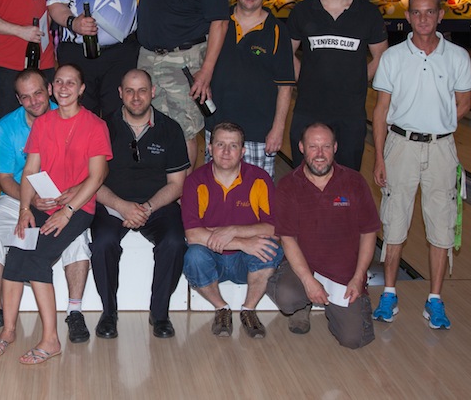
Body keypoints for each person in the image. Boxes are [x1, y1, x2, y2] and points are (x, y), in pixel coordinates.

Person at [0, 64, 111, 365]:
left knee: (38, 258)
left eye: (72, 82)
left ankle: (51, 339)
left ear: (81, 89)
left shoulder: (95, 125)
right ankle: (10, 329)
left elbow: (97, 176)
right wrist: (25, 209)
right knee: (17, 251)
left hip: (79, 207)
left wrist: (67, 212)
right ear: (52, 87)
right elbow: (29, 170)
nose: (65, 87)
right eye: (59, 82)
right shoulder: (44, 124)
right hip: (45, 205)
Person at [372, 0, 471, 329]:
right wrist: (381, 158)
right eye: (416, 12)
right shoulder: (393, 58)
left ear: (441, 15)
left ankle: (435, 300)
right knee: (395, 221)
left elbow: (463, 102)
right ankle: (389, 293)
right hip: (400, 146)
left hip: (442, 148)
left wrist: (437, 126)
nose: (423, 18)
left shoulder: (458, 56)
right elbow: (381, 110)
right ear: (408, 16)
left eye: (430, 12)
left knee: (441, 226)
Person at [92, 69, 189, 339]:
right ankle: (108, 313)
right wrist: (122, 206)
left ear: (153, 92)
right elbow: (92, 182)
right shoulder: (103, 127)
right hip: (113, 202)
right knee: (103, 243)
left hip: (157, 205)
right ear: (120, 93)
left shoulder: (170, 129)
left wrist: (145, 208)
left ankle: (160, 314)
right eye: (130, 91)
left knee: (174, 242)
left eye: (142, 90)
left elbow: (176, 185)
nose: (136, 97)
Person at [267, 123, 379, 349]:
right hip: (304, 268)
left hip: (343, 274)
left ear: (335, 148)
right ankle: (304, 304)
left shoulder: (354, 182)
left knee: (353, 340)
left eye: (326, 146)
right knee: (287, 297)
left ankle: (334, 307)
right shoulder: (288, 185)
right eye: (313, 146)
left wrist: (358, 278)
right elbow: (287, 238)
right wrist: (309, 282)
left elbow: (369, 232)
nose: (319, 154)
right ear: (301, 148)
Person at [137, 0, 230, 169]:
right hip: (147, 57)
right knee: (148, 124)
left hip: (185, 60)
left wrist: (206, 71)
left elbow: (220, 23)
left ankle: (183, 196)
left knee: (185, 128)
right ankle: (158, 186)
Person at [287, 0, 388, 170]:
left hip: (350, 114)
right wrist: (304, 79)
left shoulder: (368, 13)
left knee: (346, 183)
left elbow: (381, 56)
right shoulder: (303, 12)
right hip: (308, 111)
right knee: (304, 179)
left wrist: (359, 79)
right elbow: (286, 52)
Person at [181, 122, 282, 339]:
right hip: (212, 259)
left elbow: (274, 228)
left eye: (233, 146)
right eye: (220, 144)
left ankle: (248, 310)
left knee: (270, 248)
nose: (226, 152)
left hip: (244, 263)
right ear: (209, 148)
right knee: (194, 255)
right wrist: (242, 241)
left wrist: (231, 230)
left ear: (243, 151)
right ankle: (221, 308)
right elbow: (193, 235)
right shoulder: (194, 182)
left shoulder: (259, 179)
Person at [205, 0, 295, 178]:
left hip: (259, 133)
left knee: (256, 199)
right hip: (218, 130)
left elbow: (285, 86)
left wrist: (278, 129)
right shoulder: (217, 23)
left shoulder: (277, 31)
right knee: (216, 197)